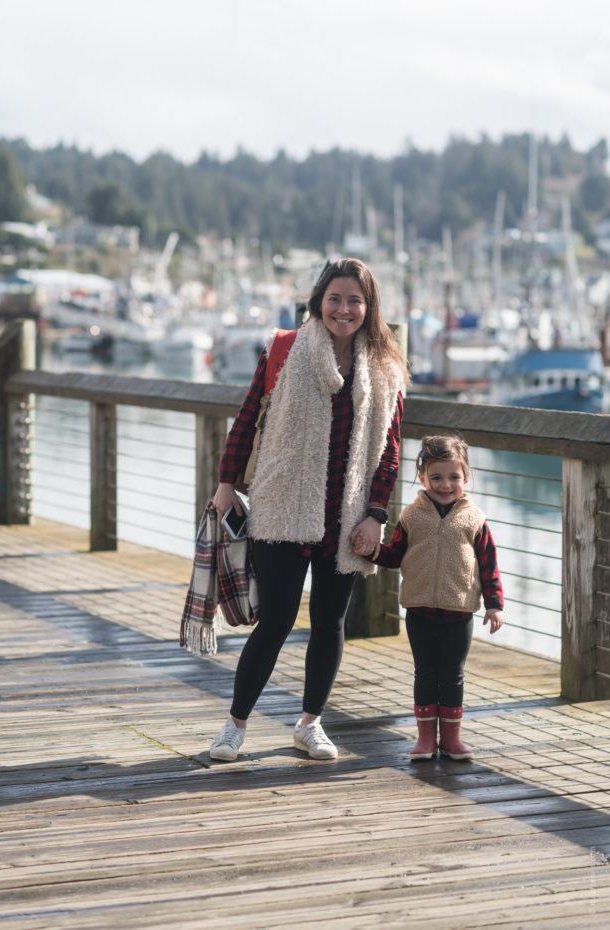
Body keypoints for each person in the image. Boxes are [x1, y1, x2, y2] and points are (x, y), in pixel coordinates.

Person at [208, 258, 408, 761]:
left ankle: (310, 723)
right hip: (283, 506)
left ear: (369, 307)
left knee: (329, 622)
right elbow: (247, 418)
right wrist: (226, 484)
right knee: (274, 621)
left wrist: (375, 515)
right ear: (319, 300)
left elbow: (390, 451)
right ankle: (234, 726)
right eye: (335, 298)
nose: (344, 309)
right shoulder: (285, 349)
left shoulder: (385, 367)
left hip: (347, 515)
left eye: (355, 300)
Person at [353, 434, 504, 761]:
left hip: (459, 614)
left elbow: (489, 564)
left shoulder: (475, 519)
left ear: (466, 477)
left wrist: (494, 606)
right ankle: (425, 740)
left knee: (452, 676)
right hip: (420, 611)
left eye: (454, 477)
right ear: (421, 477)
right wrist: (373, 551)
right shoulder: (411, 516)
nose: (445, 485)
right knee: (425, 674)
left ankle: (451, 740)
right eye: (436, 477)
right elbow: (395, 556)